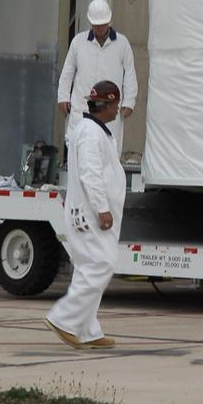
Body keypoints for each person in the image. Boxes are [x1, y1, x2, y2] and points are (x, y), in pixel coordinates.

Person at [45, 81, 126, 349]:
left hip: (87, 212)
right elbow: (91, 174)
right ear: (109, 104)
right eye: (116, 104)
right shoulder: (91, 133)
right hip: (89, 213)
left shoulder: (94, 130)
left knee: (87, 269)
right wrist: (102, 209)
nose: (117, 110)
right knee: (102, 264)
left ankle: (88, 329)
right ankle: (64, 319)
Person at [57, 0, 138, 155]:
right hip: (81, 106)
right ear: (90, 22)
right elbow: (68, 71)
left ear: (109, 21)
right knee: (77, 147)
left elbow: (129, 74)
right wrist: (63, 97)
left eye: (102, 24)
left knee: (109, 149)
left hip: (109, 109)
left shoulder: (122, 44)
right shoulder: (78, 42)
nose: (99, 28)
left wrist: (129, 101)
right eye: (96, 24)